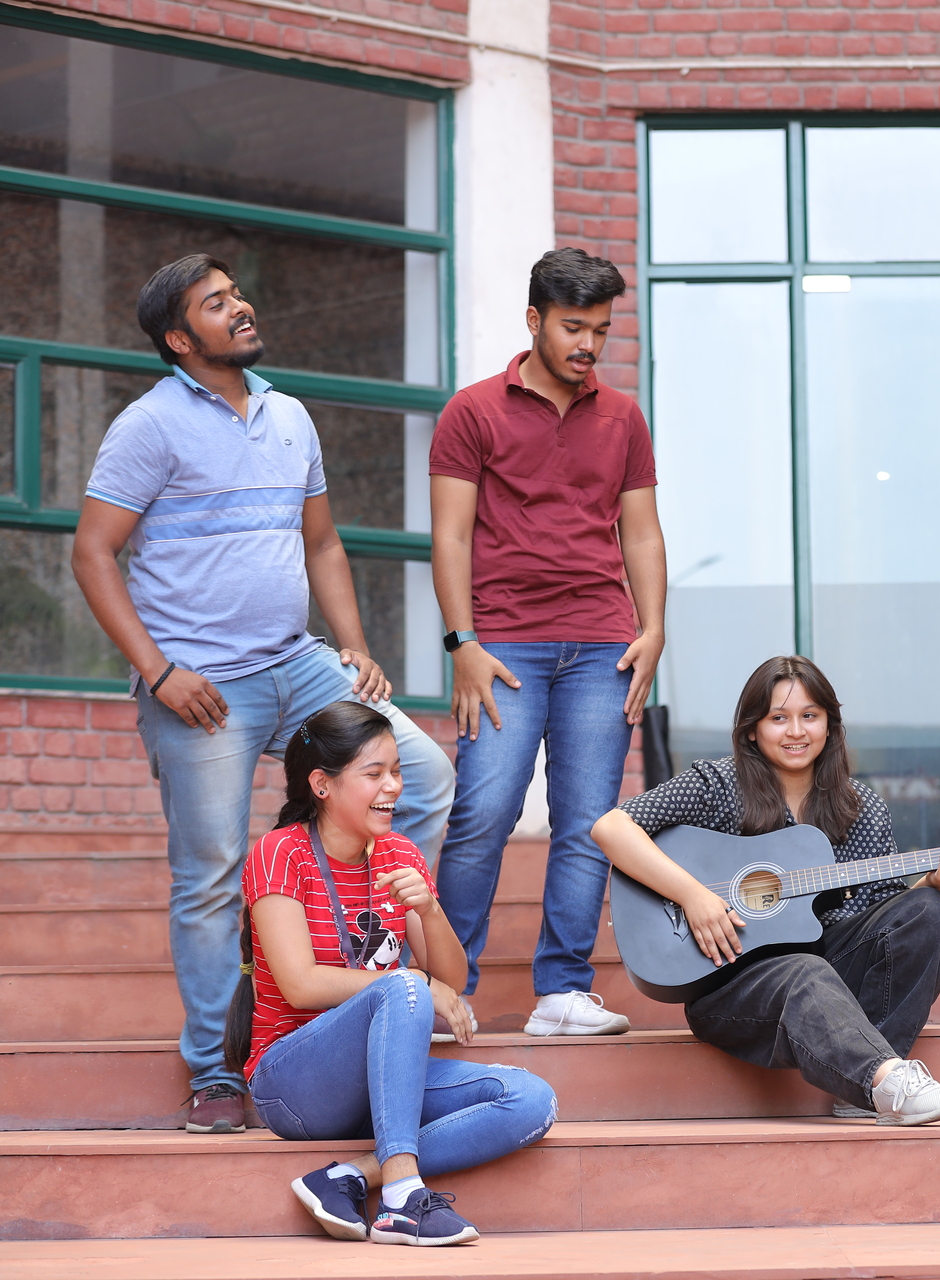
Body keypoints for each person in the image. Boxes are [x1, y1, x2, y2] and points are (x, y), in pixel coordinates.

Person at [71, 254, 456, 1135]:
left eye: (237, 293)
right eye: (216, 303)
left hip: (297, 663)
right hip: (200, 687)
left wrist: (354, 646)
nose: (240, 307)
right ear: (179, 338)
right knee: (209, 875)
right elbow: (92, 553)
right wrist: (159, 670)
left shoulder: (288, 414)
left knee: (425, 776)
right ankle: (215, 1070)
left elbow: (321, 543)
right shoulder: (148, 425)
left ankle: (360, 961)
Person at [430, 248, 667, 1037]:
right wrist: (461, 642)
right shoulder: (472, 412)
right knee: (484, 811)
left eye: (600, 330)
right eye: (573, 328)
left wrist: (654, 628)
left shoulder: (623, 418)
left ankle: (563, 990)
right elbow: (450, 535)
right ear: (534, 320)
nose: (588, 345)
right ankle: (445, 987)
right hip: (502, 644)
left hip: (603, 644)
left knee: (589, 821)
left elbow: (641, 533)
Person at [591, 656, 940, 1124]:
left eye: (810, 716)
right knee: (803, 969)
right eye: (778, 718)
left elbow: (886, 922)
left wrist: (935, 882)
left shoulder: (862, 806)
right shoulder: (718, 785)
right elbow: (612, 828)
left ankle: (869, 1080)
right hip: (731, 985)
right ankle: (886, 1082)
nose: (796, 731)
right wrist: (693, 896)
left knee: (929, 910)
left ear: (830, 725)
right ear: (753, 729)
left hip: (828, 971)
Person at [227, 701, 555, 1246]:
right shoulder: (280, 853)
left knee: (530, 1098)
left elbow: (452, 978)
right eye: (374, 773)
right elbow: (300, 985)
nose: (393, 787)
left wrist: (428, 910)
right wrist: (417, 982)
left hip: (382, 1080)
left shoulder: (400, 854)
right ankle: (403, 1197)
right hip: (292, 1084)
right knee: (402, 982)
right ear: (322, 784)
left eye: (397, 771)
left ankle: (350, 1177)